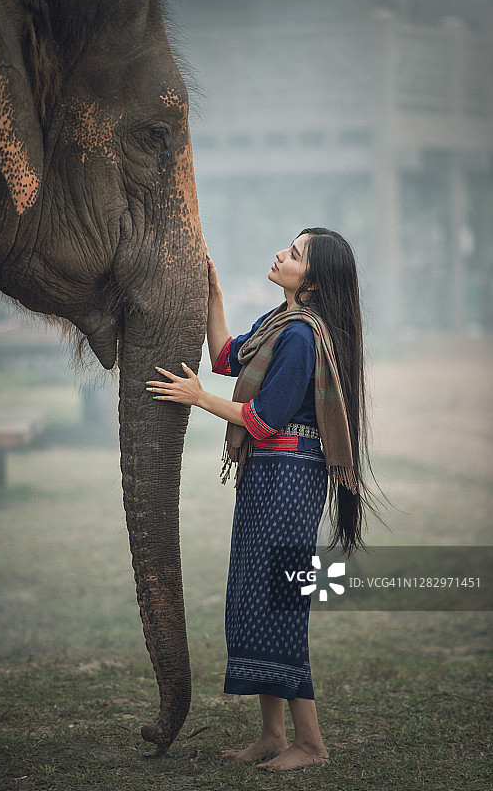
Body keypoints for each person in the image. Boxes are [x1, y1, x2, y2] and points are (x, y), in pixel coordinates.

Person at [146, 227, 376, 772]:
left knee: (279, 600)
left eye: (294, 254)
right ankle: (273, 735)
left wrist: (198, 398)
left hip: (290, 478)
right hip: (267, 475)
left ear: (313, 280)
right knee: (253, 597)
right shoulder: (279, 323)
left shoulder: (301, 336)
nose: (280, 253)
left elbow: (263, 420)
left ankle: (311, 744)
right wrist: (214, 297)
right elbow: (226, 356)